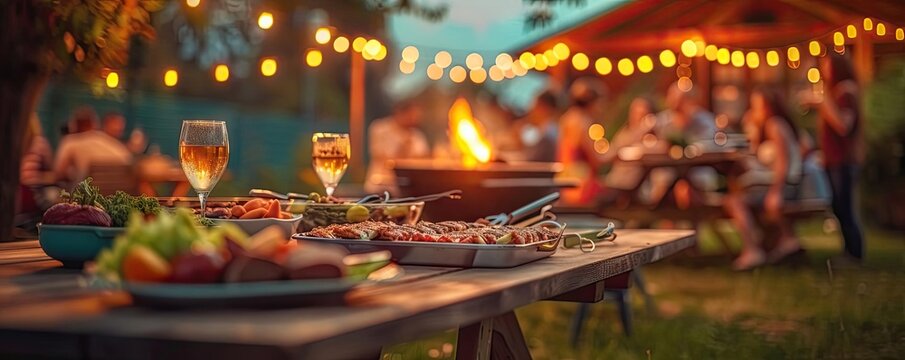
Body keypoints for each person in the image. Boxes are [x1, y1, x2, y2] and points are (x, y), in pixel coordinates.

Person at [724, 88, 805, 270]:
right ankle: (781, 242)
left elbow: (783, 163)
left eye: (757, 107)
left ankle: (752, 250)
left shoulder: (775, 125)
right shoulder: (770, 126)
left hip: (784, 185)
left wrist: (776, 192)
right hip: (776, 183)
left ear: (769, 107)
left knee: (734, 201)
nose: (754, 111)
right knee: (738, 194)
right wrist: (752, 128)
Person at [800, 54, 865, 263]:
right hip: (834, 159)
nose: (825, 72)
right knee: (839, 206)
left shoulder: (845, 91)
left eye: (828, 68)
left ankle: (854, 253)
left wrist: (822, 102)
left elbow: (843, 125)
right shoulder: (837, 92)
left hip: (843, 160)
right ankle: (849, 251)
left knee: (844, 207)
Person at [53, 107, 133, 187]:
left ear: (74, 125)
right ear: (95, 123)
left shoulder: (71, 141)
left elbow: (59, 173)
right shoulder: (117, 145)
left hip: (86, 196)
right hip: (116, 196)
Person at [558, 78, 607, 205]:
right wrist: (617, 153)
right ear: (592, 102)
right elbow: (596, 160)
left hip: (564, 181)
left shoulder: (567, 118)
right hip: (581, 185)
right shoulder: (583, 123)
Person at [365, 99, 430, 194]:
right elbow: (381, 158)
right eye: (411, 115)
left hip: (408, 190)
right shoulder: (380, 129)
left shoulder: (417, 136)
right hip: (380, 188)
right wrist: (404, 149)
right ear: (399, 113)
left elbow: (423, 160)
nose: (414, 120)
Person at [603, 97, 658, 200]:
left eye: (642, 114)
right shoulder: (625, 132)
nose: (637, 117)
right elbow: (611, 153)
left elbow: (661, 148)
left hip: (636, 180)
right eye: (635, 113)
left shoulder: (653, 136)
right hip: (617, 178)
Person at [513, 91, 559, 162]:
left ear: (544, 108)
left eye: (536, 106)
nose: (532, 110)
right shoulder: (544, 129)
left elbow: (532, 159)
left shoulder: (549, 133)